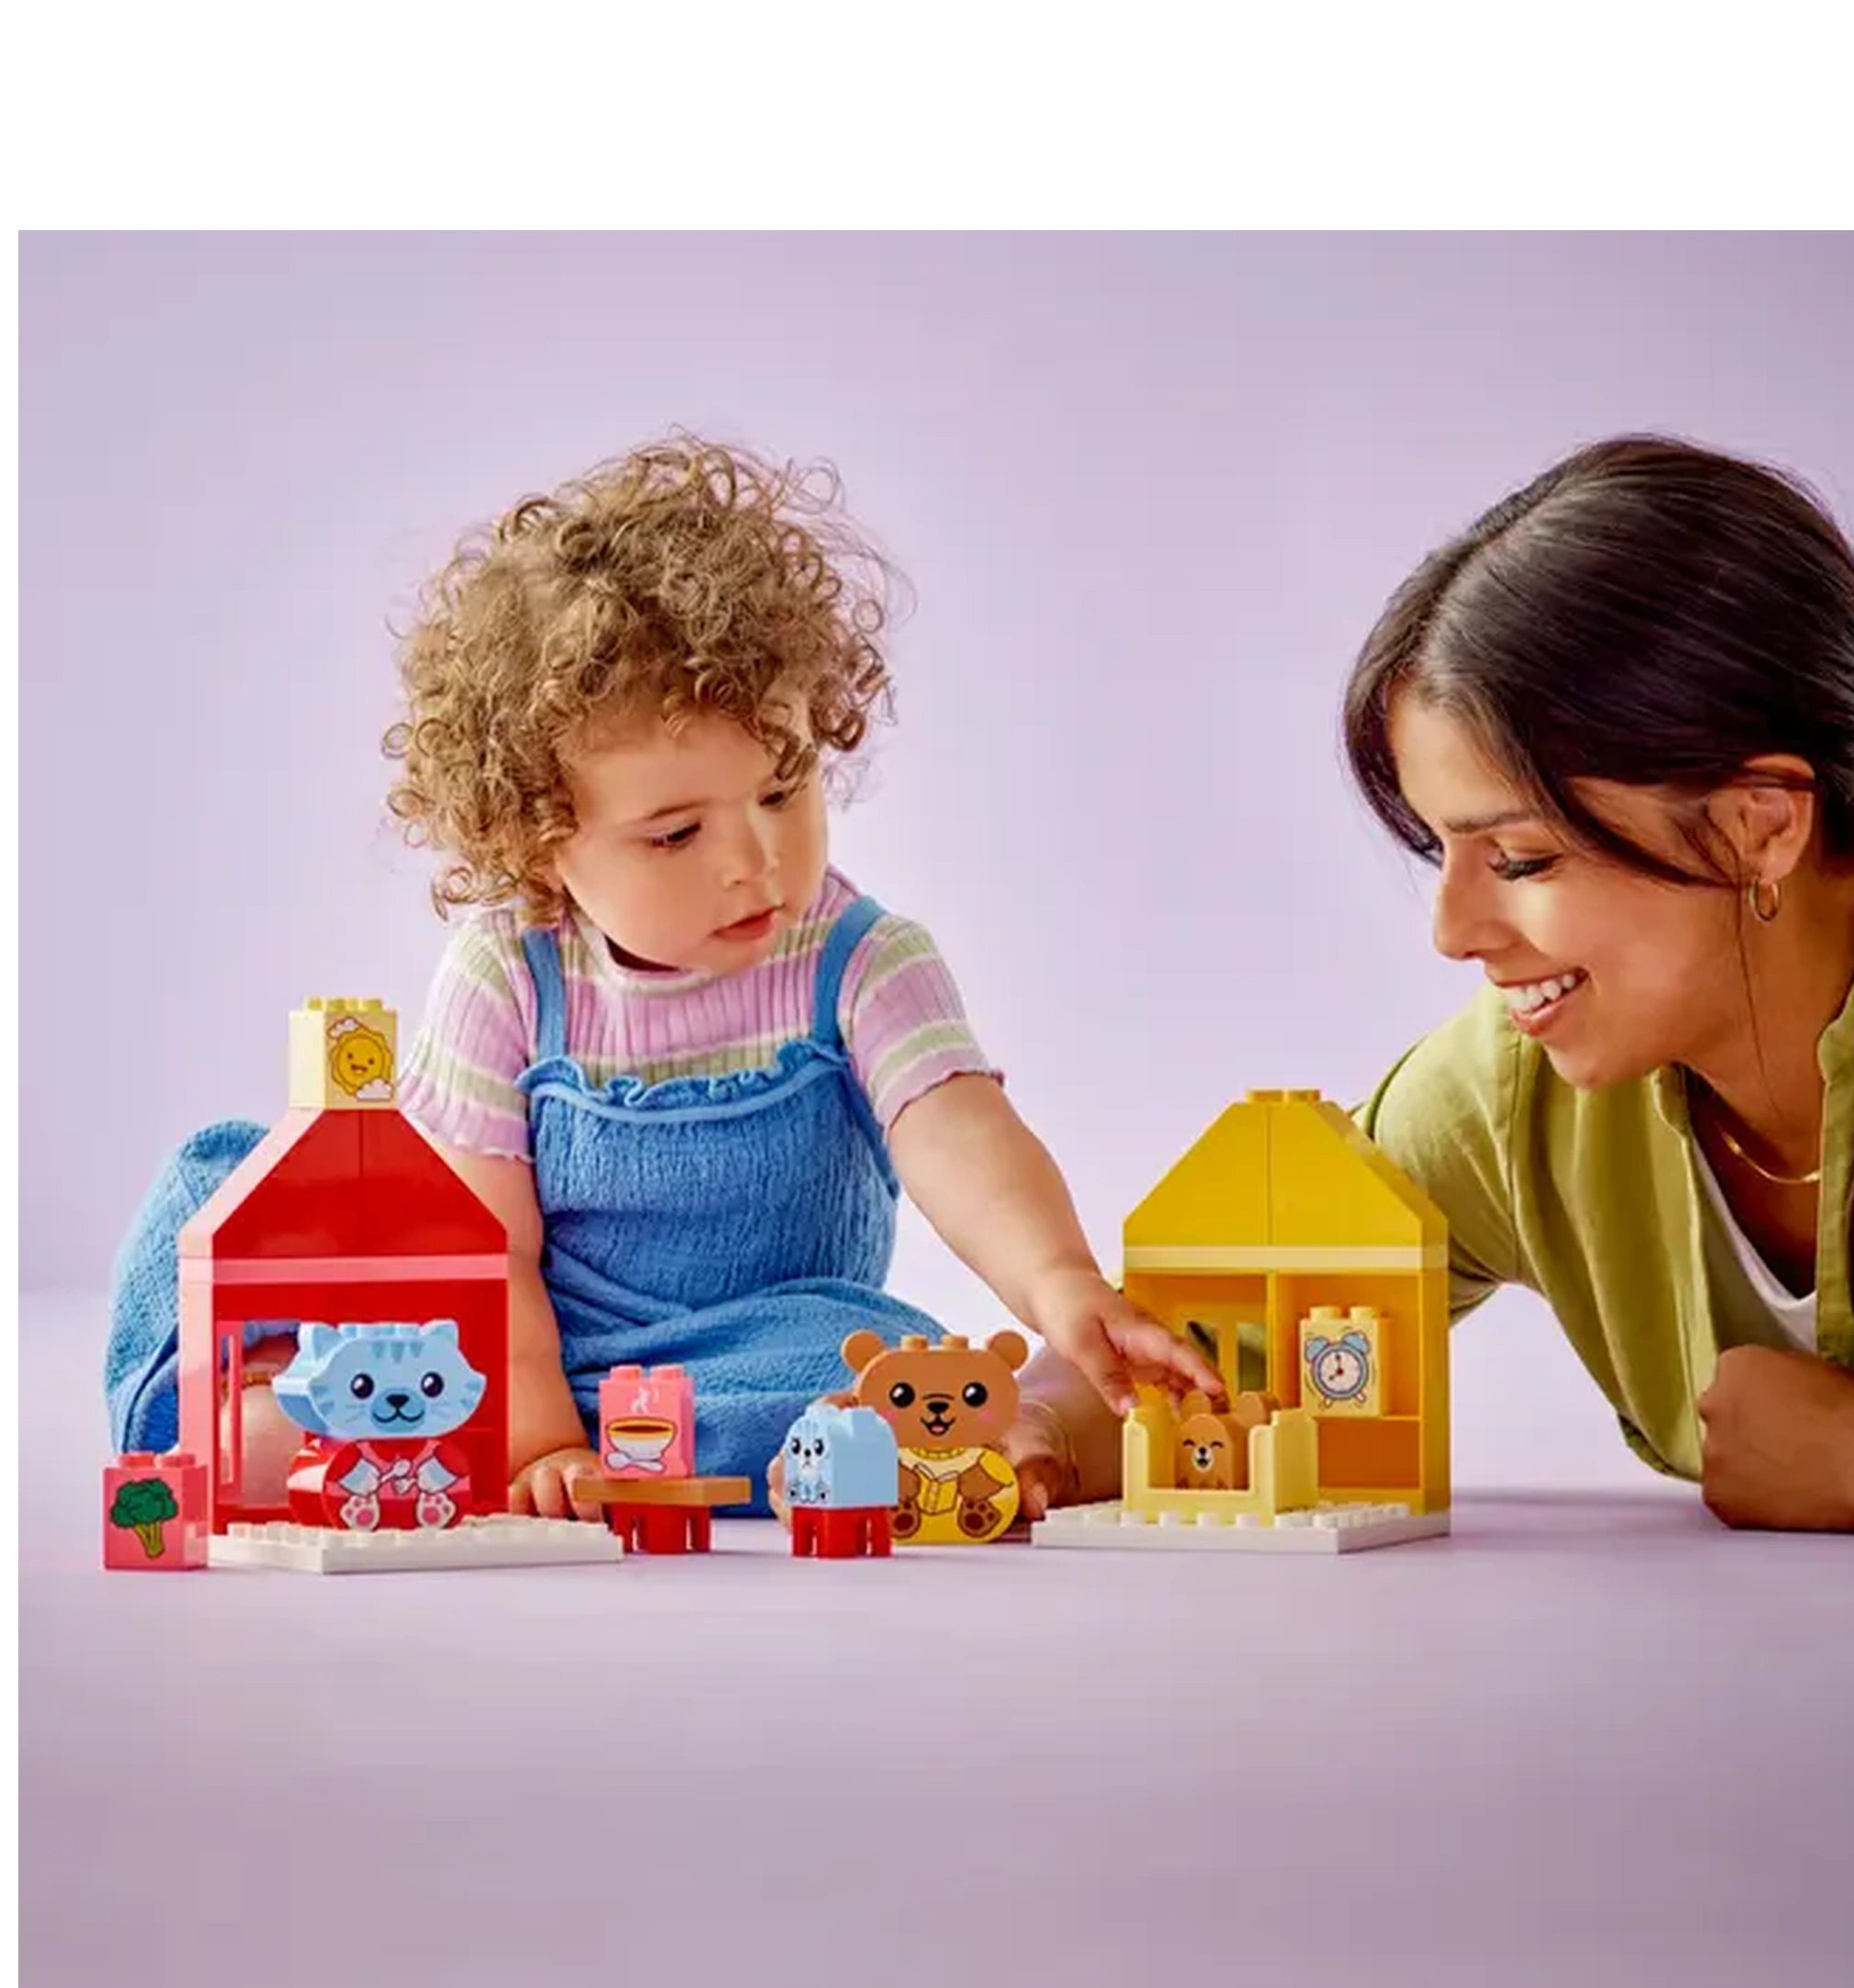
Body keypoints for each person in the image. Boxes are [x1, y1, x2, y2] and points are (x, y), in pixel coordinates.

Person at [1008, 436, 1854, 1562]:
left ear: (1759, 824)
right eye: (1438, 853)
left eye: (1523, 860)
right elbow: (1210, 1354)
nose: (1453, 931)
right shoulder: (1506, 1094)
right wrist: (1026, 1435)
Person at [105, 437, 1216, 1515]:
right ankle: (264, 1409)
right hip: (526, 1338)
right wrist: (535, 1435)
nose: (754, 860)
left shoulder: (861, 959)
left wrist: (1058, 1278)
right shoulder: (508, 980)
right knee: (218, 1191)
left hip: (764, 1334)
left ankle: (982, 1428)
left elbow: (958, 1132)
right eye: (677, 835)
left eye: (783, 793)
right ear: (543, 843)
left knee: (888, 1373)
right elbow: (484, 1248)